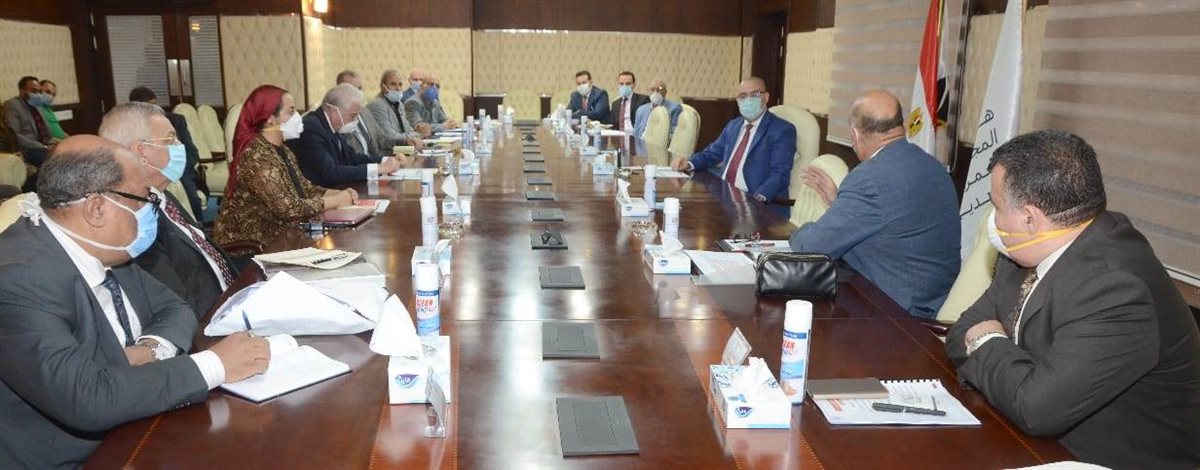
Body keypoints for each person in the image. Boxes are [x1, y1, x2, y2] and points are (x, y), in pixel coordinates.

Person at [0, 135, 270, 468]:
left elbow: (175, 309)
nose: (151, 210)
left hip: (141, 421)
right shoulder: (17, 279)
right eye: (143, 199)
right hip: (80, 459)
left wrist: (149, 351)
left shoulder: (108, 248)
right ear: (97, 209)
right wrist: (216, 364)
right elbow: (88, 398)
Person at [947, 130, 1200, 468]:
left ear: (1030, 218)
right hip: (1027, 439)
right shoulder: (1024, 252)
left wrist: (987, 340)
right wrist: (1015, 372)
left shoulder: (1116, 289)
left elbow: (1035, 408)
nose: (993, 219)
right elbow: (960, 332)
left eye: (996, 206)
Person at [787, 90, 959, 317]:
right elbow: (896, 220)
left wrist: (799, 230)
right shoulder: (934, 167)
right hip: (934, 301)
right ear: (901, 126)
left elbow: (811, 248)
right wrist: (841, 203)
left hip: (892, 313)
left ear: (855, 135)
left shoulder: (868, 179)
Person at [99, 102, 237, 318]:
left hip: (232, 300)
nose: (180, 145)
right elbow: (176, 306)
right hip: (212, 322)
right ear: (141, 152)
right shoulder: (134, 220)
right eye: (170, 140)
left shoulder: (161, 194)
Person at [214, 85, 358, 245]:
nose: (297, 117)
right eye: (291, 111)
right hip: (251, 247)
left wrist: (337, 193)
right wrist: (336, 200)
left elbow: (305, 189)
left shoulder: (283, 150)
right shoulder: (256, 156)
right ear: (270, 119)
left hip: (283, 238)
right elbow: (288, 209)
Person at [674, 77, 795, 203]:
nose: (748, 100)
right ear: (737, 101)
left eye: (754, 94)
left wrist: (759, 198)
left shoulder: (782, 130)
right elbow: (711, 154)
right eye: (743, 96)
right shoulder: (734, 126)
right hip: (724, 194)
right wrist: (688, 163)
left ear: (766, 97)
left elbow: (780, 174)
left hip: (753, 200)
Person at [289, 84, 402, 187]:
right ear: (334, 111)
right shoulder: (311, 128)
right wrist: (377, 169)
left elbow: (351, 157)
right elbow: (330, 173)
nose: (356, 121)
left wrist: (385, 160)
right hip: (319, 194)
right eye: (353, 116)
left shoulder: (334, 126)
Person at [127, 86, 208, 219]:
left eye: (155, 104)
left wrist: (175, 166)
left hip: (182, 169)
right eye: (148, 107)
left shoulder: (176, 120)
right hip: (148, 171)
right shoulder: (130, 128)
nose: (155, 109)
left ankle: (197, 226)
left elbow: (191, 153)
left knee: (191, 197)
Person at [366, 69, 428, 149]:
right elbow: (390, 137)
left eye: (400, 84)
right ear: (383, 87)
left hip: (403, 150)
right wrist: (418, 134)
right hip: (387, 152)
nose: (398, 88)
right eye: (393, 84)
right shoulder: (377, 105)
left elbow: (408, 130)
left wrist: (416, 134)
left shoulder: (399, 104)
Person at [2, 76, 56, 168]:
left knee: (67, 155)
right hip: (28, 149)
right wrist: (43, 147)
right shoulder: (12, 105)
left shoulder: (37, 105)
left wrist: (53, 143)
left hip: (44, 145)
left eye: (39, 91)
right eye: (34, 91)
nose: (38, 95)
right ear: (22, 91)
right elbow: (14, 135)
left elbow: (46, 132)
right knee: (54, 162)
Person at [334, 70, 387, 158]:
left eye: (359, 88)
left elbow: (382, 138)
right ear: (340, 91)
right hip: (359, 163)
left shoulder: (365, 111)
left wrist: (405, 141)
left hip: (377, 160)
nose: (358, 93)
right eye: (353, 90)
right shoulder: (337, 117)